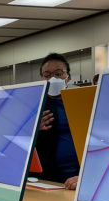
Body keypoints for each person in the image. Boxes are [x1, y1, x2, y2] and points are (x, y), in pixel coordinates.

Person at [34, 52, 80, 190]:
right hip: (46, 180)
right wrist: (33, 129)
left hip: (78, 178)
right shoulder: (34, 106)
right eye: (47, 75)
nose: (53, 79)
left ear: (68, 77)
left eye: (59, 74)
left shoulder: (82, 102)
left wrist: (88, 175)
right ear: (42, 78)